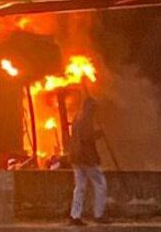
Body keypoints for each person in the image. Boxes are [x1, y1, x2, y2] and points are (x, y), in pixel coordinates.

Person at [68, 97, 108, 226]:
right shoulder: (86, 119)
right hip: (86, 158)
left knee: (79, 187)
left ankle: (75, 215)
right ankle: (98, 215)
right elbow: (86, 138)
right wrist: (99, 134)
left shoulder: (77, 117)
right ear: (90, 108)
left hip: (76, 157)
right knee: (100, 184)